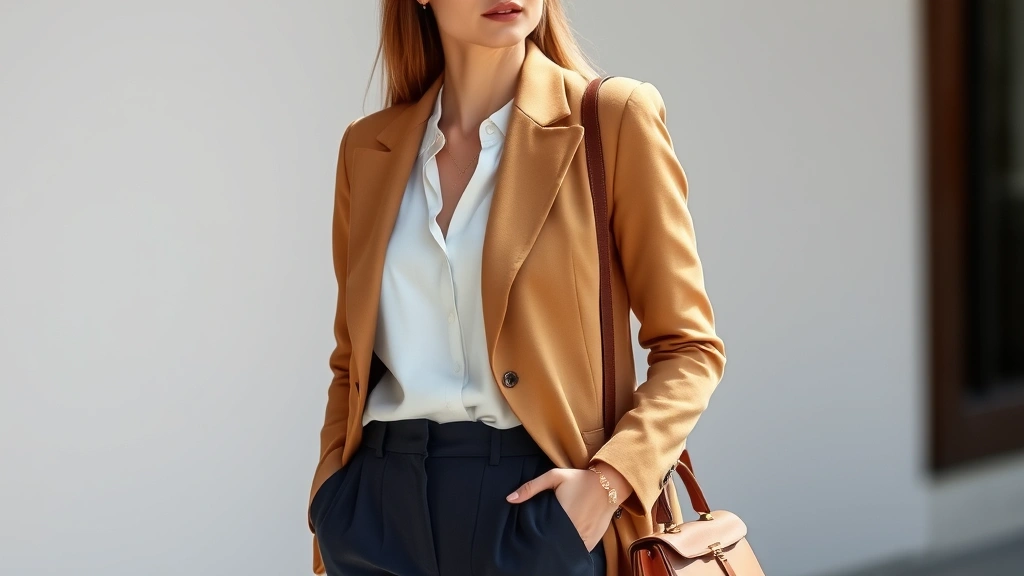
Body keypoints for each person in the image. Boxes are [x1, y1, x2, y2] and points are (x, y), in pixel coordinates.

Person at [306, 1, 726, 574]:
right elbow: (351, 359)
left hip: (541, 509)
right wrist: (330, 494)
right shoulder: (367, 148)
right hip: (376, 510)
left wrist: (608, 483)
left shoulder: (611, 118)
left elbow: (689, 348)